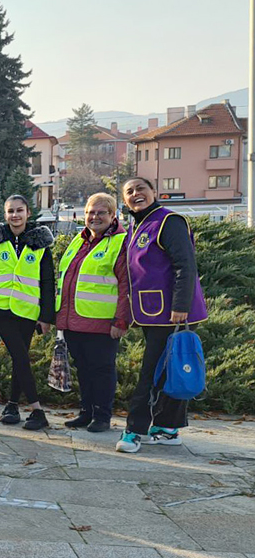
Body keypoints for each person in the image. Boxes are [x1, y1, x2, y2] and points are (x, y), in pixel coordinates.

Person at [115, 177, 207, 454]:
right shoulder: (138, 224)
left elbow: (185, 265)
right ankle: (168, 428)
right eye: (129, 191)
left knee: (152, 372)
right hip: (151, 311)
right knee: (170, 369)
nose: (135, 194)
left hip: (171, 312)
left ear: (154, 192)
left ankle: (134, 430)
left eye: (141, 188)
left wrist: (180, 306)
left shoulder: (169, 221)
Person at [0, 195, 55, 431]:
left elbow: (47, 281)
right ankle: (37, 410)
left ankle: (11, 405)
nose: (15, 215)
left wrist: (46, 317)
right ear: (5, 214)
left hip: (28, 311)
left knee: (20, 358)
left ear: (28, 213)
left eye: (19, 210)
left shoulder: (40, 244)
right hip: (2, 310)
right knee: (20, 356)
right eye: (10, 211)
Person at [55, 193, 130, 434]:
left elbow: (126, 285)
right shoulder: (78, 240)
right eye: (90, 212)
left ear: (113, 215)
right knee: (83, 369)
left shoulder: (121, 242)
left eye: (101, 212)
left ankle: (102, 416)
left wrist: (121, 320)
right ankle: (86, 412)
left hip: (103, 323)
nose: (94, 217)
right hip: (73, 321)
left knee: (102, 370)